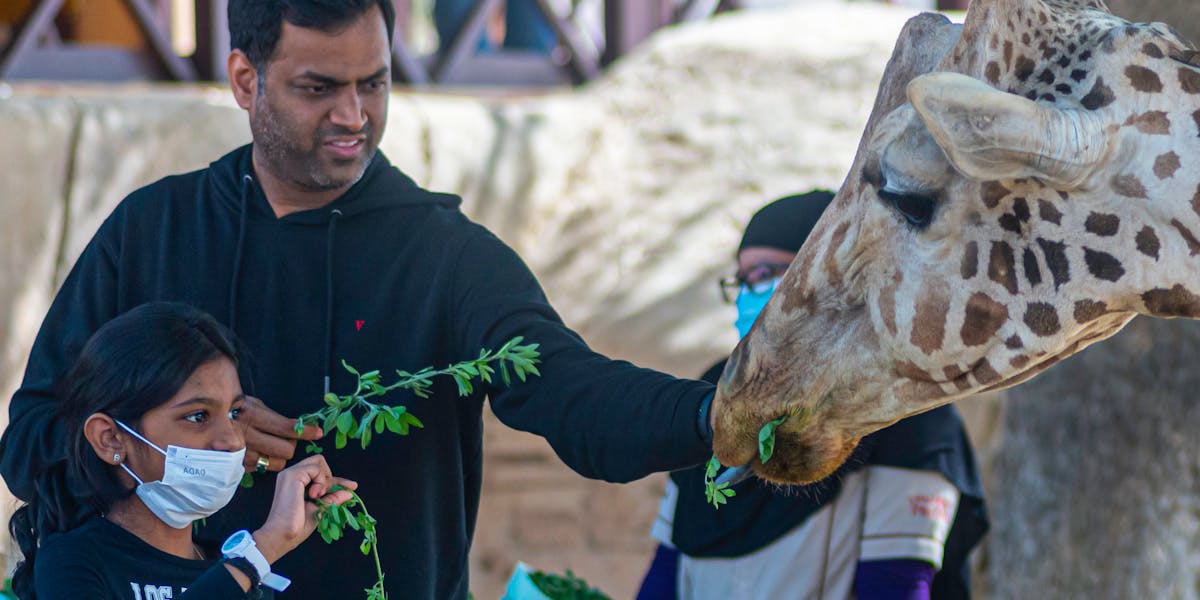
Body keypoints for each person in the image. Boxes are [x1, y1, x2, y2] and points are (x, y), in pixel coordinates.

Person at [0, 2, 716, 599]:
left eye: (373, 84)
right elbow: (31, 442)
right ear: (245, 81)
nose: (354, 115)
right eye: (318, 88)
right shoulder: (152, 228)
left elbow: (573, 393)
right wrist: (187, 449)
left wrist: (712, 415)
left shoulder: (445, 254)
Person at [636, 191, 990, 599]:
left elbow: (896, 584)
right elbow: (666, 569)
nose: (751, 292)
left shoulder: (899, 408)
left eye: (768, 273)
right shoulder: (718, 392)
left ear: (826, 277)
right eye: (743, 279)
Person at [8, 302, 357, 599]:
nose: (233, 441)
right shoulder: (74, 561)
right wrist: (262, 549)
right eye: (197, 416)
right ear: (110, 438)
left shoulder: (229, 567)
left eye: (235, 413)